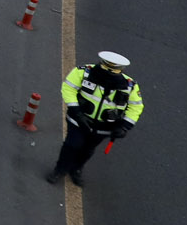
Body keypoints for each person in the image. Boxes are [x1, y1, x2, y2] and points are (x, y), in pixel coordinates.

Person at [47, 52, 144, 187]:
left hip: (104, 127)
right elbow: (68, 88)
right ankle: (60, 170)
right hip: (78, 120)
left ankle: (76, 169)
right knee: (72, 144)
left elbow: (136, 107)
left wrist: (124, 127)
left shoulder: (130, 85)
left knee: (88, 149)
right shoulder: (84, 72)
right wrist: (77, 112)